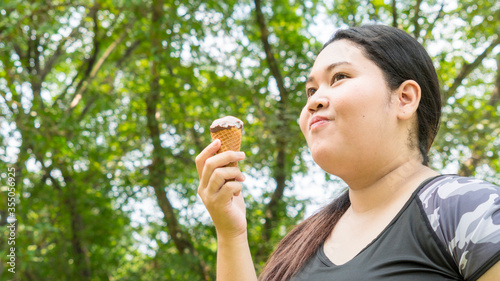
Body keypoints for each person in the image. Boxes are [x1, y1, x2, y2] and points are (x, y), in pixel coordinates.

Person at [195, 24, 500, 281]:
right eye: (311, 91)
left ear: (404, 98)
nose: (314, 101)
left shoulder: (466, 208)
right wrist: (230, 233)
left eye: (339, 77)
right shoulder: (299, 245)